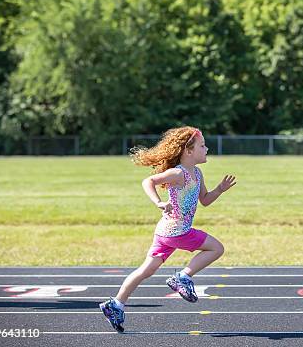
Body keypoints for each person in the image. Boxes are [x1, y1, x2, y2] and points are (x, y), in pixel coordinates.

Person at [100, 126, 236, 332]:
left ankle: (116, 304)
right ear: (188, 151)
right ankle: (183, 277)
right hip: (177, 231)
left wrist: (219, 190)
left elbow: (205, 200)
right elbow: (149, 181)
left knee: (146, 270)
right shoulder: (178, 173)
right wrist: (158, 202)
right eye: (202, 145)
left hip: (165, 233)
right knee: (216, 248)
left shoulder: (197, 174)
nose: (207, 148)